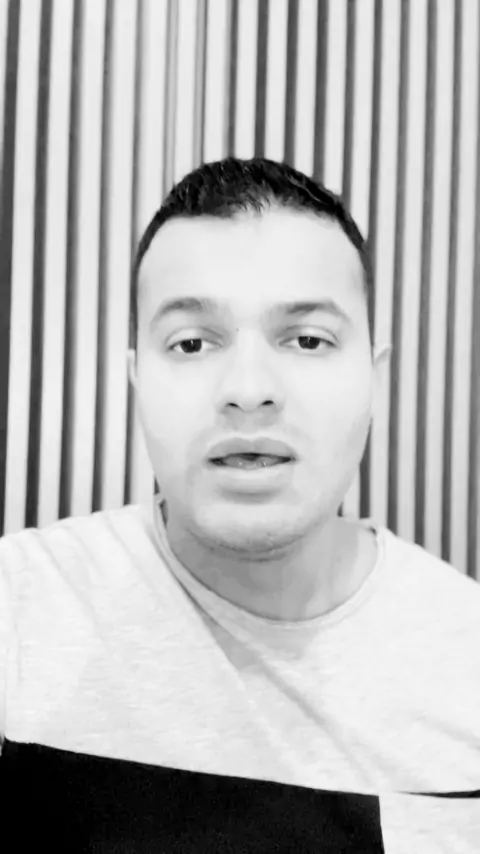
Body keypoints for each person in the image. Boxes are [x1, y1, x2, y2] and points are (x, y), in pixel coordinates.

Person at [0, 157, 479, 851]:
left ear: (373, 379)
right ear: (137, 381)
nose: (249, 389)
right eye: (192, 343)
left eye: (308, 340)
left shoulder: (467, 663)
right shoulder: (18, 614)